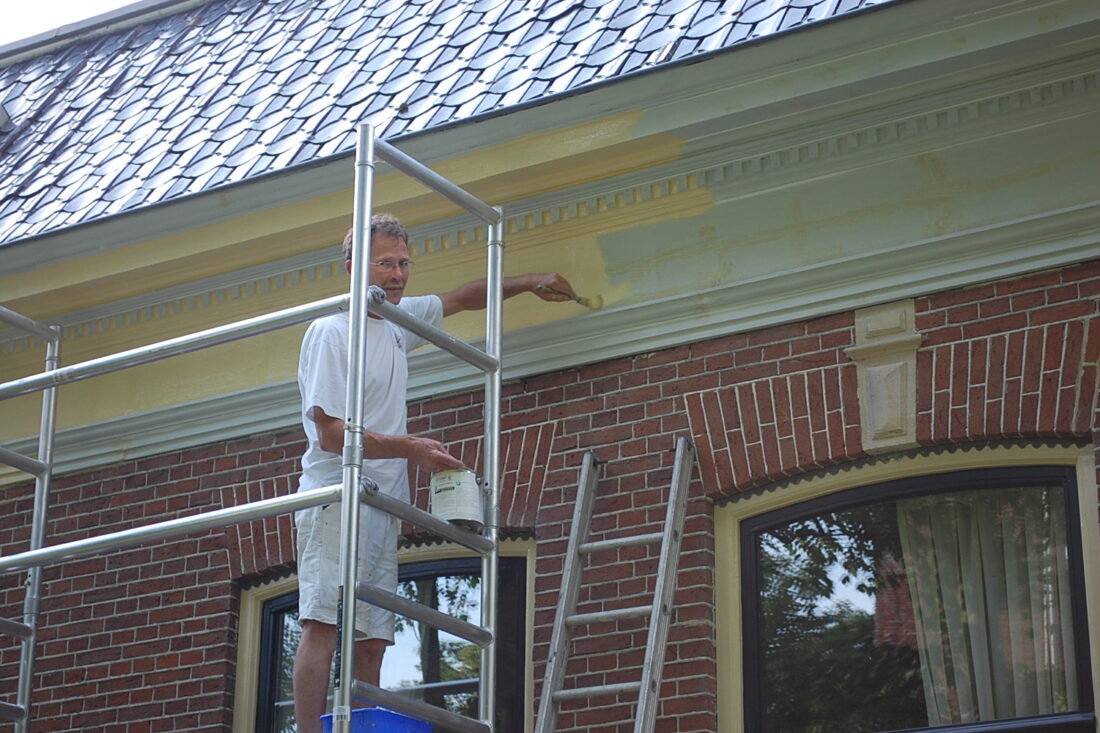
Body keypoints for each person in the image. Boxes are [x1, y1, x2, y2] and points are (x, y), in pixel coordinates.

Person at [292, 213, 578, 732]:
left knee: (373, 632)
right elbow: (330, 433)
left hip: (381, 502)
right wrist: (412, 449)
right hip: (337, 496)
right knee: (324, 620)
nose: (398, 275)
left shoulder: (399, 324)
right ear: (355, 267)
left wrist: (530, 282)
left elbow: (463, 297)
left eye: (404, 264)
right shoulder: (332, 333)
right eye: (385, 263)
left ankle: (363, 727)